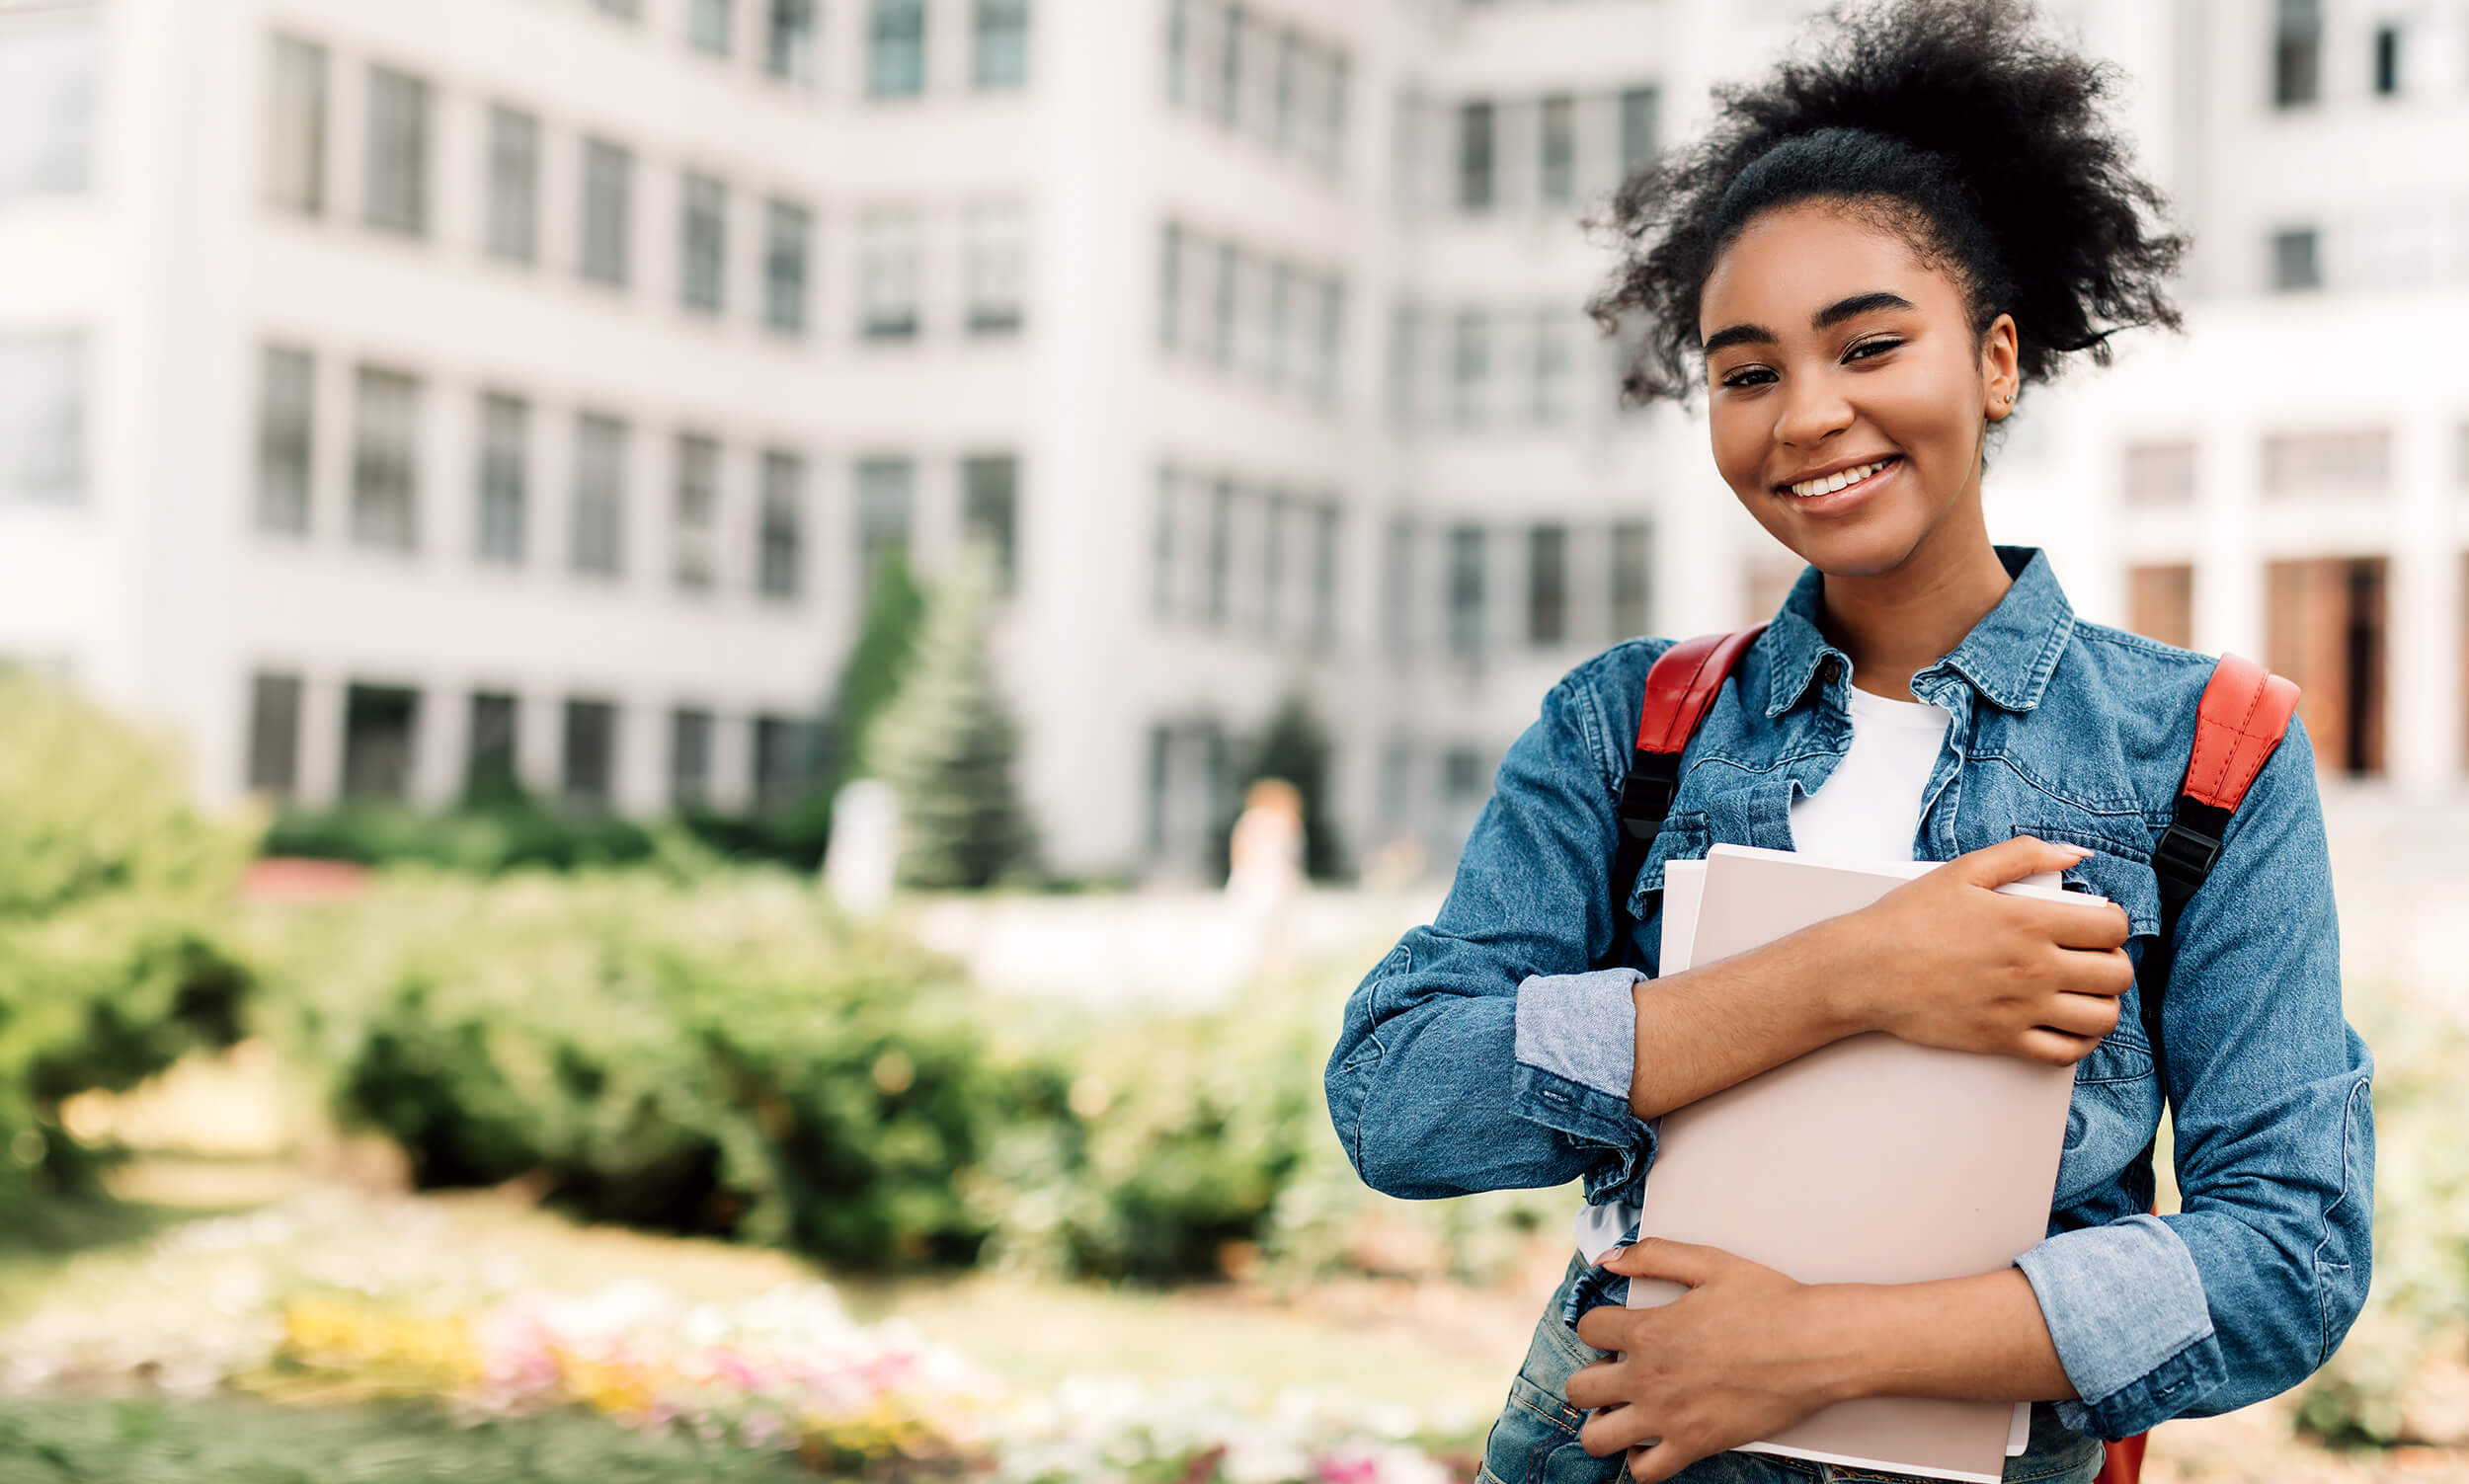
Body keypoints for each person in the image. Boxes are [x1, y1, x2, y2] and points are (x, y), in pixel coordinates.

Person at [1320, 3, 2375, 1482]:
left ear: (1997, 362)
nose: (1808, 416)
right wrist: (1844, 977)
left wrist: (1818, 1347)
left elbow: (2290, 1254)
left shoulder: (2208, 752)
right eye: (1746, 373)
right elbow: (1401, 1101)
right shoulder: (1628, 728)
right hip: (1617, 1449)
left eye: (1869, 345)